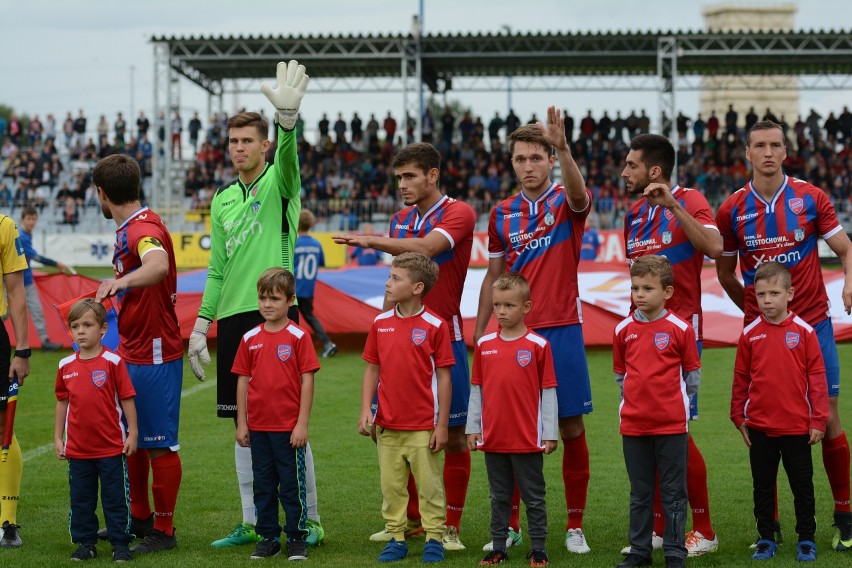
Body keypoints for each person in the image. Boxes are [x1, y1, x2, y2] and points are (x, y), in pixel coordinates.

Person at [186, 60, 325, 548]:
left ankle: (307, 519)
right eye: (234, 141)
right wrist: (203, 322)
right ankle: (252, 520)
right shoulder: (222, 199)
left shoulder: (281, 183)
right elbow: (218, 269)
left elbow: (288, 164)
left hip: (278, 313)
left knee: (289, 426)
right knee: (242, 424)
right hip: (235, 320)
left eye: (249, 140)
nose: (240, 148)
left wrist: (287, 124)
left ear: (263, 144)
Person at [715, 120, 852, 550]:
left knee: (828, 417)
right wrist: (754, 314)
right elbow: (724, 272)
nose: (768, 152)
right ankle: (768, 529)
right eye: (760, 145)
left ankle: (845, 515)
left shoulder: (811, 198)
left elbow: (845, 248)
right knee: (765, 425)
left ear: (785, 151)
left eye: (775, 144)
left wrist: (848, 281)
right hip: (762, 336)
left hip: (815, 323)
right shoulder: (732, 209)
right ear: (748, 154)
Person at [333, 142, 476, 551]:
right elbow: (396, 282)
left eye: (410, 176)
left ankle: (450, 525)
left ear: (432, 175)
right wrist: (381, 325)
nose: (403, 184)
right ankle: (412, 519)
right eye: (399, 177)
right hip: (399, 340)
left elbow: (429, 249)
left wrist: (369, 240)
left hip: (442, 336)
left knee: (451, 436)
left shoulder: (458, 212)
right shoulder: (399, 220)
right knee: (394, 428)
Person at [474, 106, 594, 554]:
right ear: (512, 163)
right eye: (520, 159)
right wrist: (481, 325)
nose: (528, 166)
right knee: (510, 431)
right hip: (511, 337)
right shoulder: (501, 214)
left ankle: (575, 525)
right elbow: (494, 275)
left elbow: (581, 198)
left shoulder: (566, 201)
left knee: (571, 427)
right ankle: (510, 526)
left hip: (561, 328)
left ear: (548, 160)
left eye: (536, 158)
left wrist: (564, 148)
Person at [620, 134, 721, 556]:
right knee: (647, 432)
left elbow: (714, 247)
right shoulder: (633, 214)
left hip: (679, 337)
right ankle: (660, 529)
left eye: (631, 165)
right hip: (640, 337)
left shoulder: (691, 199)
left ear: (654, 171)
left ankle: (705, 531)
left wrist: (674, 207)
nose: (624, 172)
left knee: (676, 435)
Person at [92, 154, 183, 554]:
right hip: (134, 345)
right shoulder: (135, 225)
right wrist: (120, 285)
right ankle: (138, 518)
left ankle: (164, 531)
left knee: (158, 442)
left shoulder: (141, 230)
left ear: (102, 193)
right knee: (133, 437)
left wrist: (122, 281)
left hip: (155, 351)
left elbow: (158, 265)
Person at [730, 262, 828, 562]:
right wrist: (738, 415)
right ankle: (765, 538)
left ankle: (807, 538)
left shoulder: (804, 332)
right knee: (762, 486)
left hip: (797, 427)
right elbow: (741, 378)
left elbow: (818, 378)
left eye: (774, 293)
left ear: (790, 294)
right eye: (761, 294)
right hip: (760, 427)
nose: (767, 300)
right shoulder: (750, 334)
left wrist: (818, 418)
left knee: (802, 486)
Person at [358, 252, 451, 563]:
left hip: (423, 425)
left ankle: (435, 537)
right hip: (387, 424)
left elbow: (444, 376)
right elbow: (372, 369)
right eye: (389, 276)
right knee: (392, 486)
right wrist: (365, 410)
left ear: (417, 288)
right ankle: (396, 536)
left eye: (396, 278)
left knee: (429, 486)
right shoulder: (380, 323)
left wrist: (441, 425)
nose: (388, 282)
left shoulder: (436, 325)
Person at [467, 272, 557, 567]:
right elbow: (476, 389)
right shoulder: (484, 345)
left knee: (534, 496)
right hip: (493, 438)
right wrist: (473, 427)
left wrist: (550, 432)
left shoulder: (538, 345)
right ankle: (498, 547)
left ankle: (539, 548)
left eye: (509, 306)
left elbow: (549, 392)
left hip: (527, 438)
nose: (502, 312)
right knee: (499, 496)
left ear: (526, 307)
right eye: (497, 306)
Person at [614, 256, 699, 568]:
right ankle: (640, 551)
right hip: (634, 426)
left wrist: (678, 406)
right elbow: (621, 376)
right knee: (640, 493)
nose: (639, 294)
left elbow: (692, 376)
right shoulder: (623, 329)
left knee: (674, 493)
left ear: (667, 292)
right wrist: (635, 404)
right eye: (635, 288)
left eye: (648, 288)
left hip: (672, 425)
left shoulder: (679, 328)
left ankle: (675, 551)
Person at [234, 268, 320, 561]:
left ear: (290, 300)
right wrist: (243, 423)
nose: (267, 304)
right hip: (258, 429)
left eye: (274, 298)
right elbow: (243, 381)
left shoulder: (298, 336)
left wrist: (301, 424)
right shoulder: (249, 339)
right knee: (264, 485)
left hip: (288, 430)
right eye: (262, 298)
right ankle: (268, 537)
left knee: (292, 486)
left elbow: (307, 380)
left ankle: (297, 538)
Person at [54, 299, 138, 562]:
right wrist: (58, 437)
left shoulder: (113, 362)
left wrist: (133, 432)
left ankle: (120, 545)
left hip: (111, 448)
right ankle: (85, 544)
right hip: (78, 451)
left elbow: (126, 398)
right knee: (81, 500)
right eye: (75, 326)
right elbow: (62, 402)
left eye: (87, 325)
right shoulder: (65, 365)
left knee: (115, 500)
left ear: (103, 329)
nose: (81, 331)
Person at [0, 213, 30, 549]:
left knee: (2, 427)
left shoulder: (4, 225)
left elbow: (15, 289)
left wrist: (22, 350)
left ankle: (7, 521)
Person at [18, 206, 72, 351]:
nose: (31, 222)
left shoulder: (26, 236)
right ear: (22, 220)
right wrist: (57, 264)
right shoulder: (21, 237)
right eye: (28, 219)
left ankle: (45, 341)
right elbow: (35, 257)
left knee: (37, 310)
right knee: (4, 313)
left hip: (27, 280)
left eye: (33, 219)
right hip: (13, 283)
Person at [294, 209, 337, 358]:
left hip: (292, 288)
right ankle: (327, 344)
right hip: (308, 288)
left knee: (286, 319)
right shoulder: (316, 244)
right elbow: (321, 264)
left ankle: (291, 348)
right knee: (309, 317)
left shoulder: (293, 242)